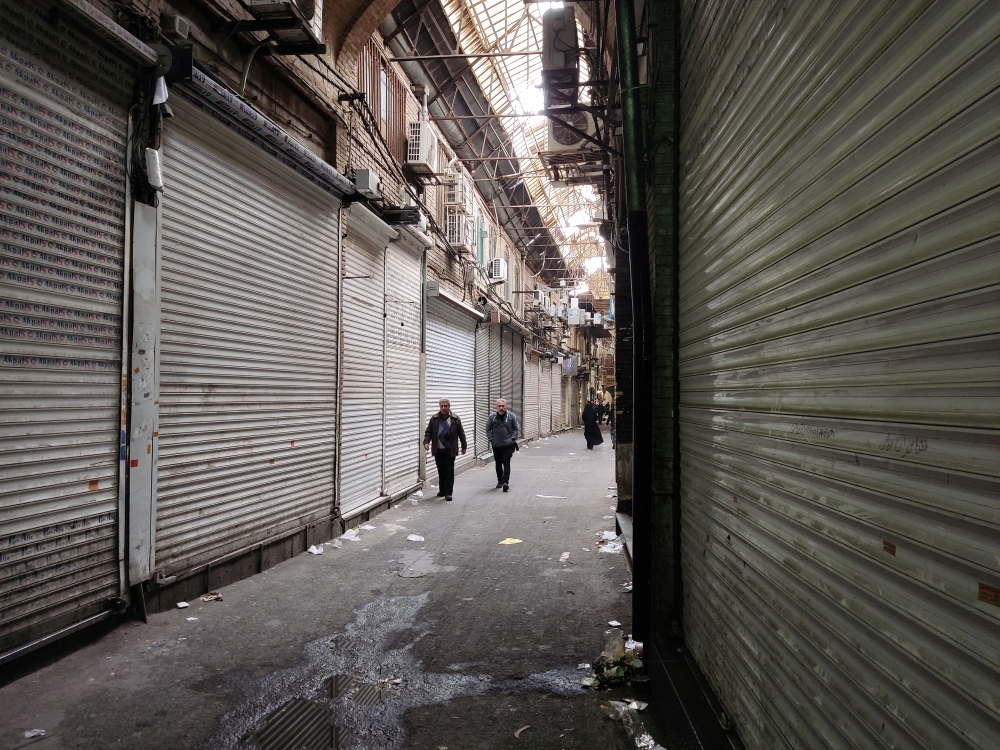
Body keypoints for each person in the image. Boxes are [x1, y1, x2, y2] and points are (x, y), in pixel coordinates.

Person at [423, 399, 467, 501]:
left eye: (445, 406)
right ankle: (442, 490)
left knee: (449, 471)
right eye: (441, 406)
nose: (443, 408)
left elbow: (461, 433)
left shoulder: (455, 419)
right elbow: (428, 432)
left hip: (450, 450)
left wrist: (464, 446)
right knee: (441, 471)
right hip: (438, 449)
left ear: (449, 406)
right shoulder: (434, 419)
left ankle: (448, 493)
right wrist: (426, 442)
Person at [486, 398, 519, 492]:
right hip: (496, 445)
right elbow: (488, 429)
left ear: (506, 406)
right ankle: (500, 480)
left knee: (506, 463)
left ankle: (505, 482)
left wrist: (512, 439)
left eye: (503, 406)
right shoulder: (492, 417)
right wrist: (492, 440)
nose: (501, 408)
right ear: (496, 407)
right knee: (498, 463)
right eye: (499, 406)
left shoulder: (511, 416)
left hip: (508, 445)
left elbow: (515, 429)